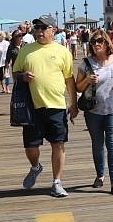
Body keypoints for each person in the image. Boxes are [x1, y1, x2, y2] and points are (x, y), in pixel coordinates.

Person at [12, 14, 78, 198]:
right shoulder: (26, 50)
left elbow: (69, 79)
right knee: (31, 147)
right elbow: (15, 72)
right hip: (32, 107)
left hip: (56, 105)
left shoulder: (63, 51)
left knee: (58, 143)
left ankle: (57, 182)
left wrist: (73, 104)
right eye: (37, 28)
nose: (39, 31)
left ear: (53, 30)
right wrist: (23, 76)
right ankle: (35, 166)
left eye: (43, 28)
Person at [75, 29, 113, 195]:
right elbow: (78, 87)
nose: (96, 44)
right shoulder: (87, 63)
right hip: (93, 110)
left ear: (106, 43)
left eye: (99, 41)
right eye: (93, 42)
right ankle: (100, 175)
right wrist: (87, 80)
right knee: (97, 145)